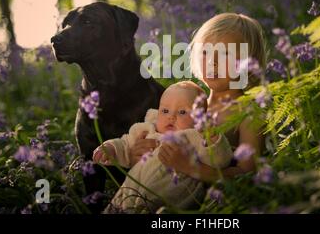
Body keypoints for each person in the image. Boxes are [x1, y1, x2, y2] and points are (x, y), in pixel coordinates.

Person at [93, 81, 233, 213]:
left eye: (182, 112)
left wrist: (213, 140)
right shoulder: (148, 129)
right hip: (130, 190)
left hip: (167, 198)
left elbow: (220, 161)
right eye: (165, 111)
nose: (171, 117)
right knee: (116, 206)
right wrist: (110, 148)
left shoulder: (194, 137)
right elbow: (125, 144)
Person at [157, 13, 267, 182]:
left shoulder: (250, 112)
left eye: (225, 54)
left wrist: (190, 167)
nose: (212, 61)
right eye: (205, 52)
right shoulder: (192, 104)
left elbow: (248, 174)